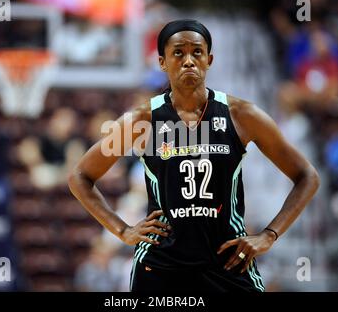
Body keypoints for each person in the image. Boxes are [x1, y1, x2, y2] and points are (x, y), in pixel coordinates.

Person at [68, 19, 320, 292]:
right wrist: (123, 230)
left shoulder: (242, 115)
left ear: (209, 59)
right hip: (160, 265)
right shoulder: (141, 120)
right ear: (162, 62)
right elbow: (80, 176)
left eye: (196, 52)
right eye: (178, 52)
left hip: (229, 262)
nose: (189, 60)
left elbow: (307, 176)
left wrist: (269, 235)